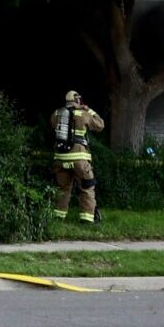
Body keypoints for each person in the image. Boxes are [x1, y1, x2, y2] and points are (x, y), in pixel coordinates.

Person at [50, 89, 105, 225]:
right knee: (87, 188)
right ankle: (87, 219)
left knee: (62, 189)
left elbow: (52, 126)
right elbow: (100, 125)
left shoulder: (56, 113)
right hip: (80, 160)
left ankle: (58, 218)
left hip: (60, 159)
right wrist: (89, 110)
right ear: (77, 100)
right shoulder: (83, 113)